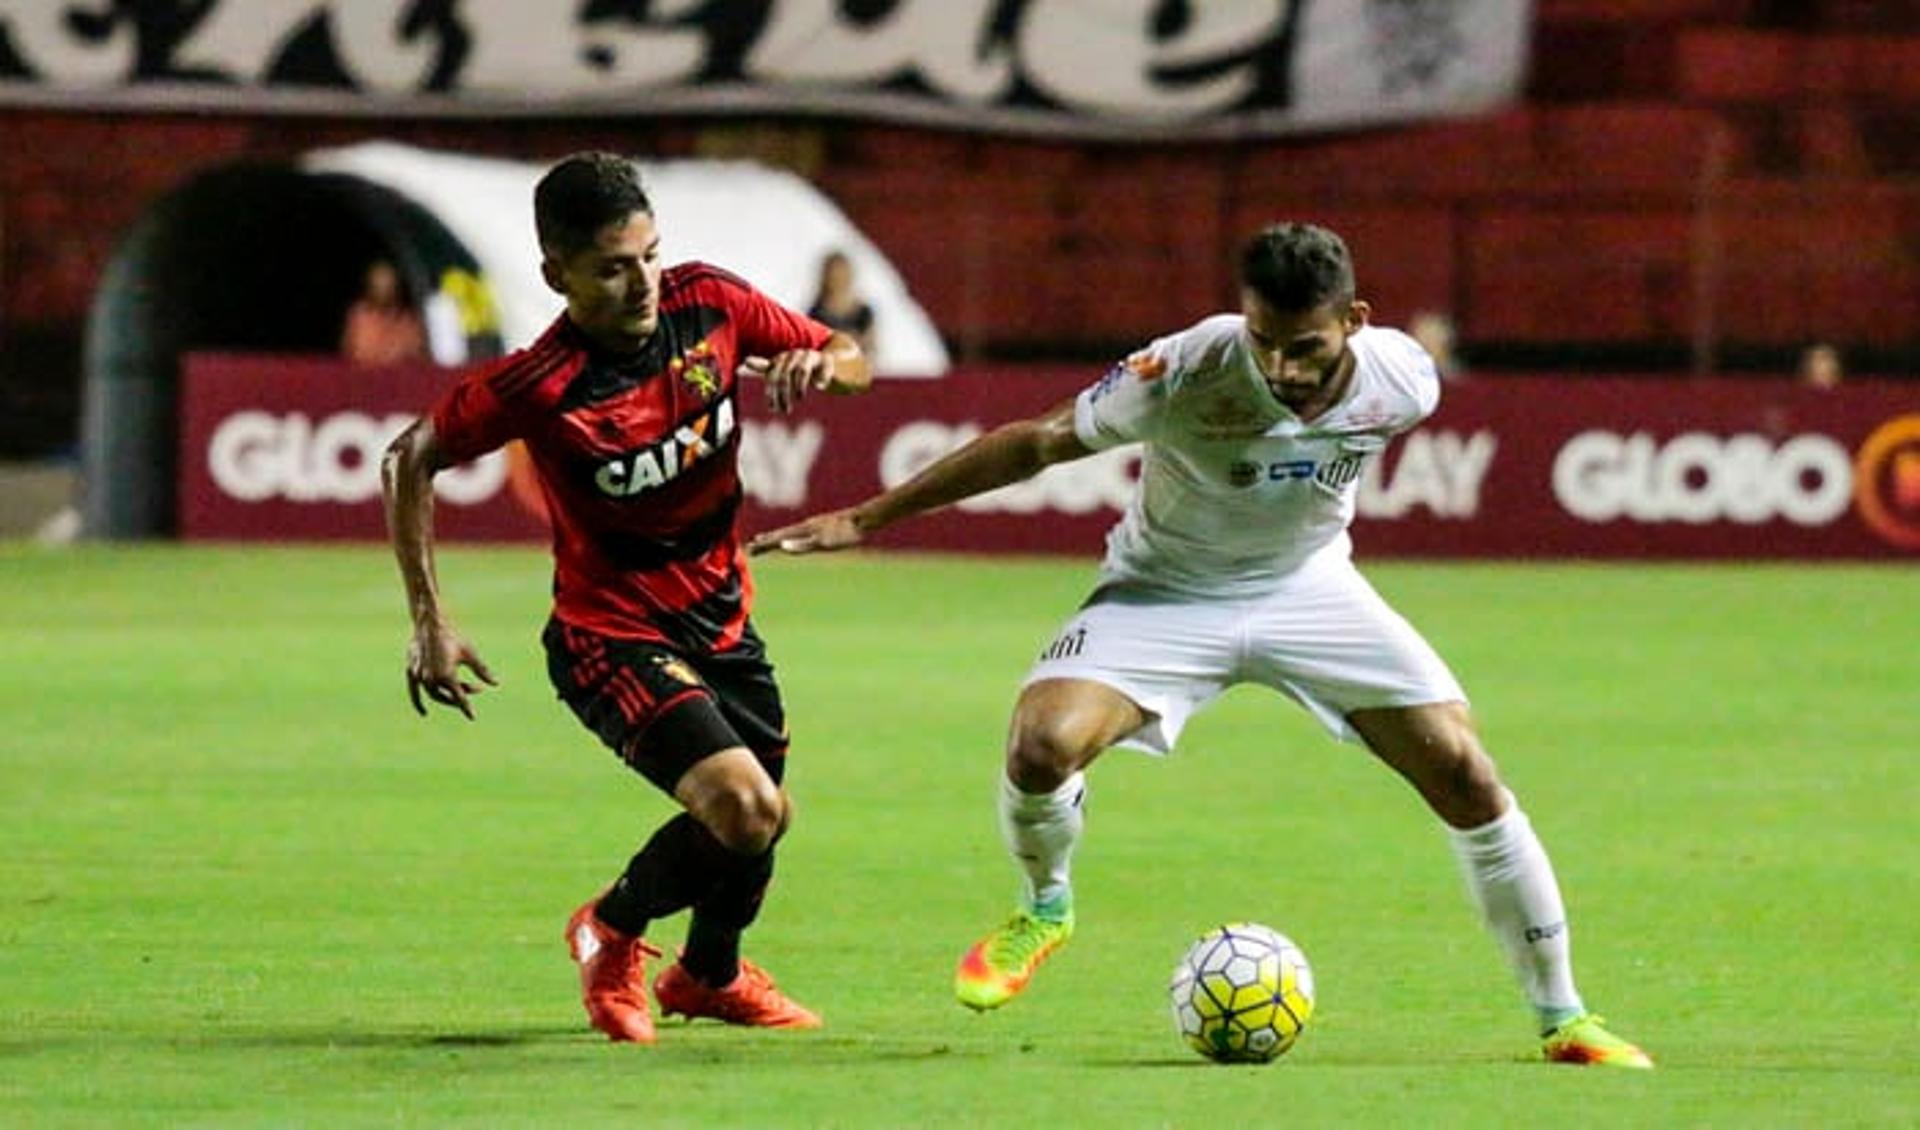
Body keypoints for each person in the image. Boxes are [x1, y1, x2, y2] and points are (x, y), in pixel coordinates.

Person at [751, 222, 1653, 1069]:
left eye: (1306, 347)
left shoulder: (1404, 379)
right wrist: (868, 518)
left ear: (1356, 323)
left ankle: (1561, 1017)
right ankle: (1045, 908)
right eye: (1265, 341)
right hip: (1165, 591)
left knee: (1466, 773)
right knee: (1041, 745)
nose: (1281, 367)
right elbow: (1039, 443)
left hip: (1310, 588)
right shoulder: (1186, 366)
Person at [381, 151, 871, 1044]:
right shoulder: (541, 385)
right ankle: (609, 928)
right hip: (608, 635)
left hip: (722, 618)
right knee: (746, 808)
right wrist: (429, 621)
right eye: (612, 265)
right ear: (555, 274)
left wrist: (825, 364)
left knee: (762, 819)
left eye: (648, 254)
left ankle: (709, 976)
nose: (642, 279)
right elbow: (410, 455)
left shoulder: (708, 302)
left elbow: (851, 357)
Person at [341, 260, 429, 366]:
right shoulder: (359, 317)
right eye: (378, 286)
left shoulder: (409, 323)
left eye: (388, 286)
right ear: (369, 287)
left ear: (397, 288)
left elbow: (419, 360)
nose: (383, 290)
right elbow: (352, 356)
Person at [806, 249, 876, 355]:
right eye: (834, 275)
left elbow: (871, 347)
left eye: (841, 274)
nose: (837, 279)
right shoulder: (816, 313)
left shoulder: (864, 313)